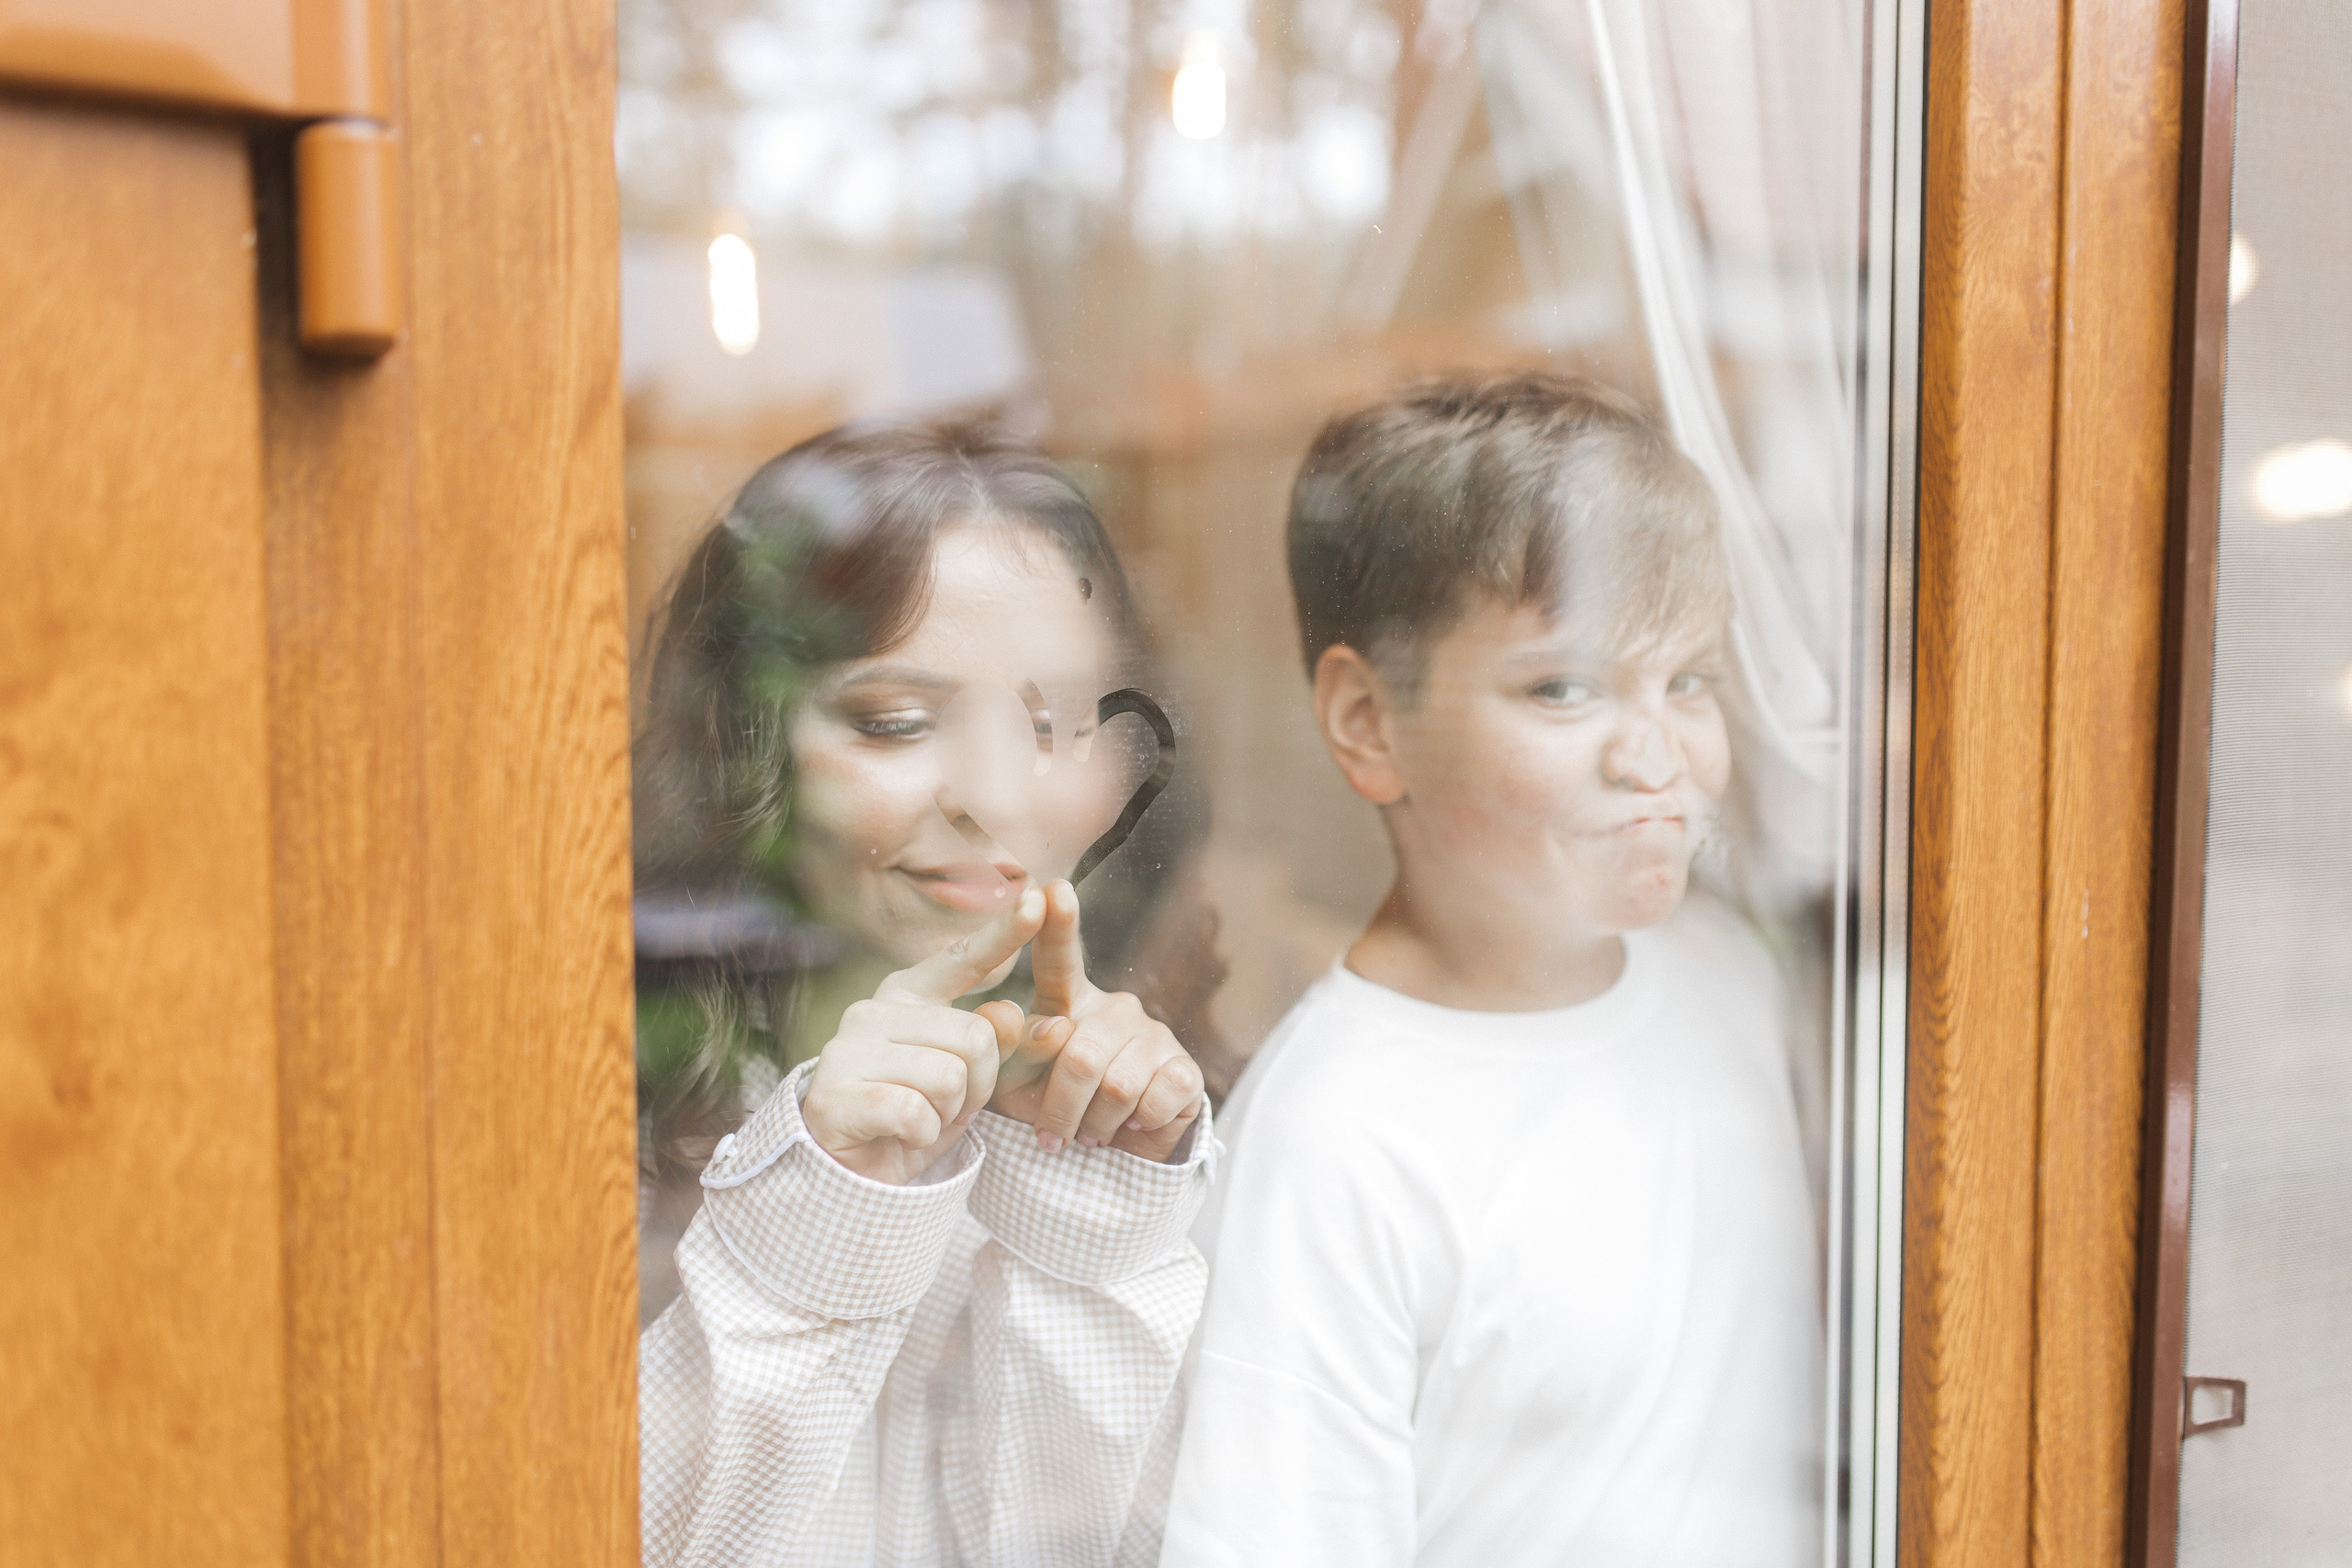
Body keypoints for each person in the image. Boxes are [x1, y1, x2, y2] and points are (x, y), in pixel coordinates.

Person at [1159, 374, 1822, 1567]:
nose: (1655, 754)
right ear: (1368, 719)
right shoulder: (1334, 1140)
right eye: (1562, 686)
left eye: (1689, 679)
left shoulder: (1730, 983)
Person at [634, 420, 1226, 1567]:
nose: (993, 794)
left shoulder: (1172, 1126)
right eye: (892, 721)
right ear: (737, 739)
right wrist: (817, 1204)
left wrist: (1098, 1213)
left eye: (1057, 723)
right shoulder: (595, 1109)